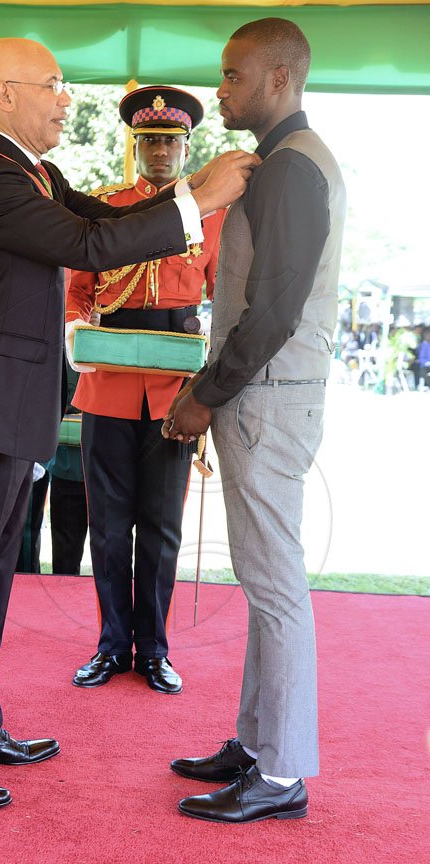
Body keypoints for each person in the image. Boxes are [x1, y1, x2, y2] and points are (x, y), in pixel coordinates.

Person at [0, 36, 258, 812]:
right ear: (4, 96)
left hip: (9, 408)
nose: (67, 99)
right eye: (54, 85)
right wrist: (203, 199)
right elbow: (92, 244)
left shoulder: (36, 172)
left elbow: (105, 214)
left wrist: (193, 186)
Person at [163, 18, 346, 822]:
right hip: (268, 393)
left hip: (265, 393)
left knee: (275, 586)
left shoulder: (291, 170)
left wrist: (205, 391)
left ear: (279, 79)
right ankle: (258, 741)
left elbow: (271, 311)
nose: (221, 88)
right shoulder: (279, 164)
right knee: (264, 579)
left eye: (233, 76)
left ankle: (279, 775)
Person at [67, 85, 226, 694]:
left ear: (187, 146)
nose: (159, 152)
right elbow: (77, 287)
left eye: (170, 141)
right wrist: (82, 332)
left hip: (173, 389)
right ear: (134, 146)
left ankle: (153, 649)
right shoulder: (104, 206)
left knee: (161, 527)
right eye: (149, 141)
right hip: (107, 381)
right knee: (107, 524)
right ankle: (110, 647)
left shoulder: (210, 215)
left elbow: (219, 293)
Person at [45, 362, 88, 576]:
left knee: (114, 551)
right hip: (68, 462)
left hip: (113, 467)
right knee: (65, 560)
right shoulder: (61, 335)